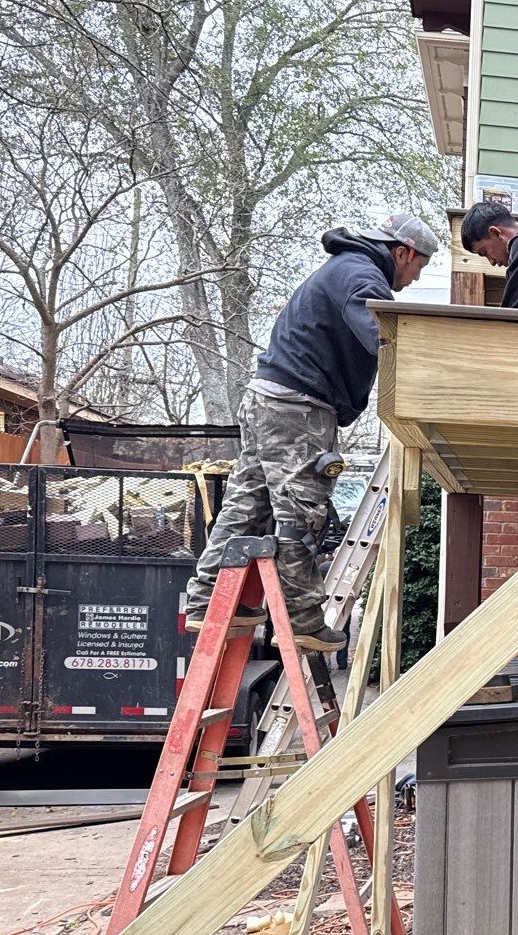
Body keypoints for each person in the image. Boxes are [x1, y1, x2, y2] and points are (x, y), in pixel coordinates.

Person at [181, 213, 440, 651]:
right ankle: (303, 620)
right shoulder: (363, 278)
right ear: (403, 252)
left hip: (267, 397)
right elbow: (387, 336)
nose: (415, 278)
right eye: (419, 267)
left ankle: (207, 598)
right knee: (302, 512)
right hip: (298, 409)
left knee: (248, 502)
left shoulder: (343, 269)